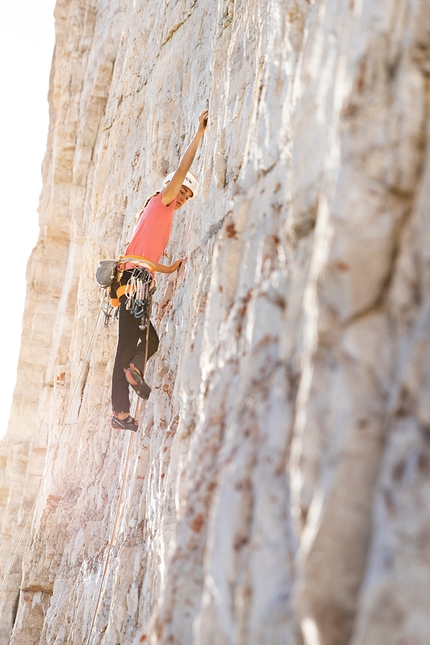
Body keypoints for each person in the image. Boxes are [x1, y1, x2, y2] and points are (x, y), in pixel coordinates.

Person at [110, 109, 208, 431]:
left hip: (139, 278)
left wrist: (170, 268)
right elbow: (183, 168)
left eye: (186, 198)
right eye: (181, 192)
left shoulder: (159, 214)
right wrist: (200, 132)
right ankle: (120, 412)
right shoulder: (162, 200)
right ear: (170, 187)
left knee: (148, 338)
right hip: (133, 281)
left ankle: (134, 371)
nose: (181, 199)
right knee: (129, 344)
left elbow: (147, 257)